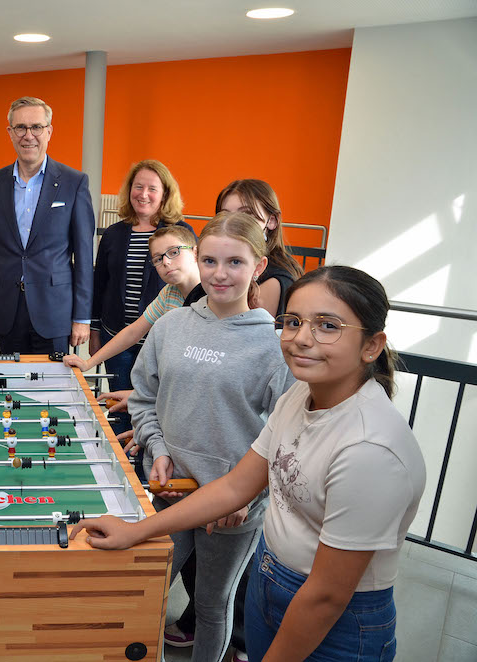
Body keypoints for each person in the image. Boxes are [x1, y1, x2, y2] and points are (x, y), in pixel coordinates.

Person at [72, 265, 424, 662]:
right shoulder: (300, 397)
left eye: (328, 326)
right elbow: (234, 487)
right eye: (294, 321)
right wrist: (135, 531)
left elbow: (326, 596)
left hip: (337, 622)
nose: (301, 338)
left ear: (372, 345)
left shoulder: (370, 449)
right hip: (269, 579)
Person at [126, 212, 294, 662]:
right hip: (170, 494)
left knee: (211, 603)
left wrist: (249, 495)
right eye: (210, 261)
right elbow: (143, 398)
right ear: (197, 259)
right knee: (147, 590)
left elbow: (288, 437)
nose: (220, 274)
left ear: (259, 266)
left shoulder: (273, 346)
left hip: (232, 513)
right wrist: (158, 448)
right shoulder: (170, 326)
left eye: (235, 262)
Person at [0, 96, 94, 354]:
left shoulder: (74, 182)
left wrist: (82, 317)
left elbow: (84, 255)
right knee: (10, 378)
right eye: (21, 127)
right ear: (10, 132)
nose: (28, 135)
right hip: (6, 312)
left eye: (36, 127)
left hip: (55, 312)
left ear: (49, 131)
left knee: (54, 381)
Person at [90, 160, 192, 432]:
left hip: (160, 343)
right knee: (120, 407)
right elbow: (99, 285)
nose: (143, 194)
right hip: (117, 336)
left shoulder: (179, 233)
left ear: (165, 193)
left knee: (154, 408)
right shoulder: (113, 234)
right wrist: (94, 331)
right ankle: (124, 455)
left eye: (152, 188)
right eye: (138, 187)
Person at [65, 224, 199, 379]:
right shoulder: (169, 293)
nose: (166, 262)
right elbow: (133, 332)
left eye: (174, 252)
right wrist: (88, 363)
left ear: (195, 252)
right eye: (158, 259)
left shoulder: (212, 298)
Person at [216, 179, 303, 316]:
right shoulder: (216, 261)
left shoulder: (275, 280)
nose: (234, 222)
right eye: (225, 214)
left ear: (272, 221)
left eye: (246, 214)